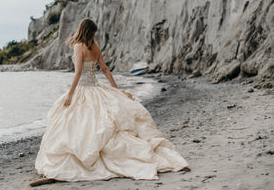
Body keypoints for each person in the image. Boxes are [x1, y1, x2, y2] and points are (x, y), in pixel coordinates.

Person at [30, 18, 190, 187]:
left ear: (80, 29)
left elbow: (77, 73)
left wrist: (70, 94)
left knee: (77, 125)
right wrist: (116, 89)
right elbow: (105, 69)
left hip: (83, 89)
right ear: (91, 32)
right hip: (96, 88)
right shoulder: (95, 46)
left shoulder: (78, 46)